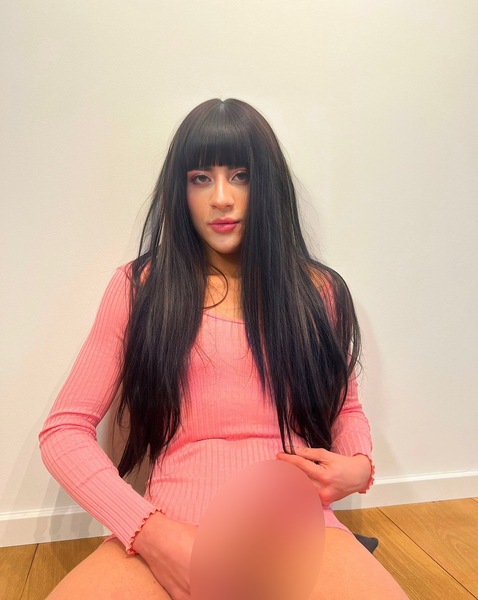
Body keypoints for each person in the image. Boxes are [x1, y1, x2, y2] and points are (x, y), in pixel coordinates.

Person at [39, 98, 408, 599]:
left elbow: (345, 408)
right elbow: (63, 431)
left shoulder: (318, 292)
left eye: (240, 176)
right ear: (180, 189)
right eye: (200, 178)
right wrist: (150, 533)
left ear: (268, 185)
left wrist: (360, 466)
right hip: (168, 530)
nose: (221, 198)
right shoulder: (139, 287)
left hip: (298, 533)